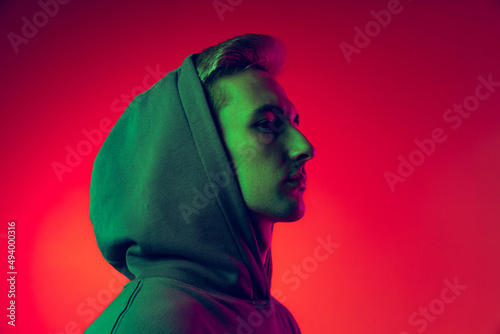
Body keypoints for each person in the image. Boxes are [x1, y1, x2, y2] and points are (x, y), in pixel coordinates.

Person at [85, 33, 315, 334]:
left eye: (294, 122)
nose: (305, 147)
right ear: (201, 151)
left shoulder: (281, 321)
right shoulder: (151, 325)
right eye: (268, 123)